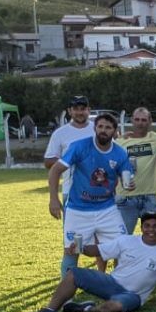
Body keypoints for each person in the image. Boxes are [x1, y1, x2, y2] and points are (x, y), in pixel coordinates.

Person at [26, 212, 156, 312]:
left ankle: (85, 308)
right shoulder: (127, 241)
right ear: (141, 227)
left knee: (113, 307)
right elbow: (98, 250)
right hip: (111, 283)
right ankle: (49, 311)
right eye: (147, 226)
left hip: (133, 296)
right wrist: (81, 248)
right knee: (73, 273)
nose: (151, 230)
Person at [48, 112, 134, 277]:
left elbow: (126, 179)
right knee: (72, 251)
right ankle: (67, 297)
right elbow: (55, 170)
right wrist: (53, 199)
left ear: (115, 131)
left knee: (123, 247)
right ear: (95, 128)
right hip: (78, 209)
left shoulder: (120, 153)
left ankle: (120, 286)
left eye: (108, 127)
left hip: (107, 209)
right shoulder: (79, 146)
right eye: (100, 126)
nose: (103, 130)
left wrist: (129, 184)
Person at [44, 96, 95, 273]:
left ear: (89, 110)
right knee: (73, 244)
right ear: (70, 111)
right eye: (76, 109)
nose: (80, 112)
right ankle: (66, 288)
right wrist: (69, 160)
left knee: (104, 242)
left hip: (100, 194)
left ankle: (105, 280)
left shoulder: (99, 128)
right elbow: (48, 161)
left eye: (83, 108)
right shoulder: (61, 133)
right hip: (72, 194)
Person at [115, 107, 156, 234]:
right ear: (132, 120)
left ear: (150, 121)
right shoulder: (120, 142)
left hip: (149, 196)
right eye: (137, 119)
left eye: (144, 120)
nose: (140, 123)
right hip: (125, 197)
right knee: (123, 238)